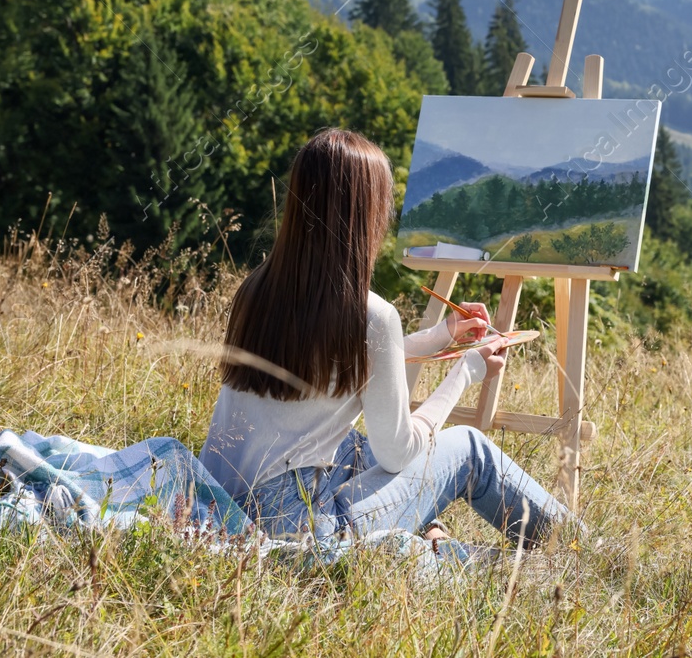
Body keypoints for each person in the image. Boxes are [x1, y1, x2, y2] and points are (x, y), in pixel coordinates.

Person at [199, 128, 571, 548]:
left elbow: (337, 363)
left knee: (357, 446)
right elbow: (399, 451)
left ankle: (436, 537)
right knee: (468, 448)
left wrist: (440, 335)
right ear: (366, 214)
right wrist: (465, 372)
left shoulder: (257, 288)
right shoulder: (371, 316)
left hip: (220, 503)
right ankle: (575, 550)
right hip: (302, 528)